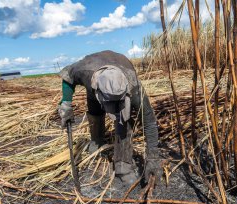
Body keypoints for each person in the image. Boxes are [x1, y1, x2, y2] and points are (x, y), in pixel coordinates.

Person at [58, 50, 161, 185]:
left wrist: (153, 159)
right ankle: (97, 141)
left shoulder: (133, 86)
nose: (114, 106)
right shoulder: (84, 70)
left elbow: (149, 122)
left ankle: (123, 166)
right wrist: (66, 103)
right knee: (95, 110)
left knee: (123, 120)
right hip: (96, 83)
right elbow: (68, 77)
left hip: (121, 73)